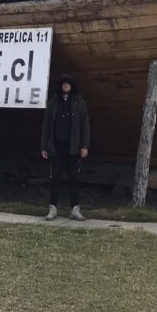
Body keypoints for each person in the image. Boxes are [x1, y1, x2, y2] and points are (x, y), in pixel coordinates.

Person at [40, 74, 90, 221]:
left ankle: (75, 209)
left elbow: (85, 125)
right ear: (60, 86)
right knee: (55, 177)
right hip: (56, 146)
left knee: (73, 177)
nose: (66, 85)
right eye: (63, 84)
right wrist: (44, 146)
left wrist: (85, 146)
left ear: (72, 86)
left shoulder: (79, 102)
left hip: (73, 147)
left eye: (68, 83)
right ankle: (53, 208)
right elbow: (46, 125)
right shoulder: (53, 103)